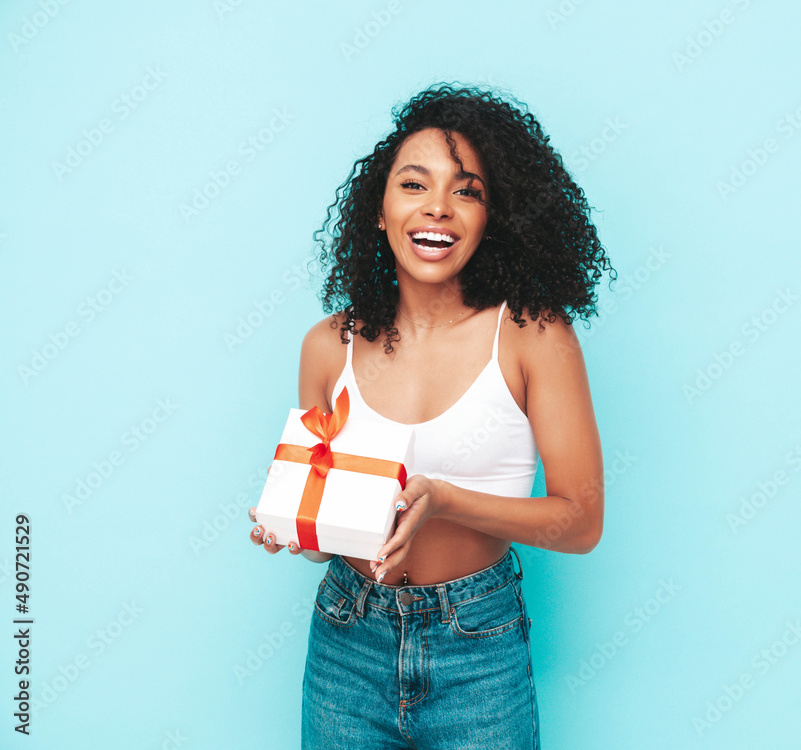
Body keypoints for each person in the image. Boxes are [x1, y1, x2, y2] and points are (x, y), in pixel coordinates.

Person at [249, 82, 614, 749]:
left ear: (491, 217)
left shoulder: (534, 337)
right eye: (414, 185)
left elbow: (580, 521)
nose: (438, 208)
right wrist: (293, 528)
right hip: (345, 636)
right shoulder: (328, 347)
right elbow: (328, 533)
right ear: (379, 212)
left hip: (478, 645)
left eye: (467, 191)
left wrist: (445, 500)